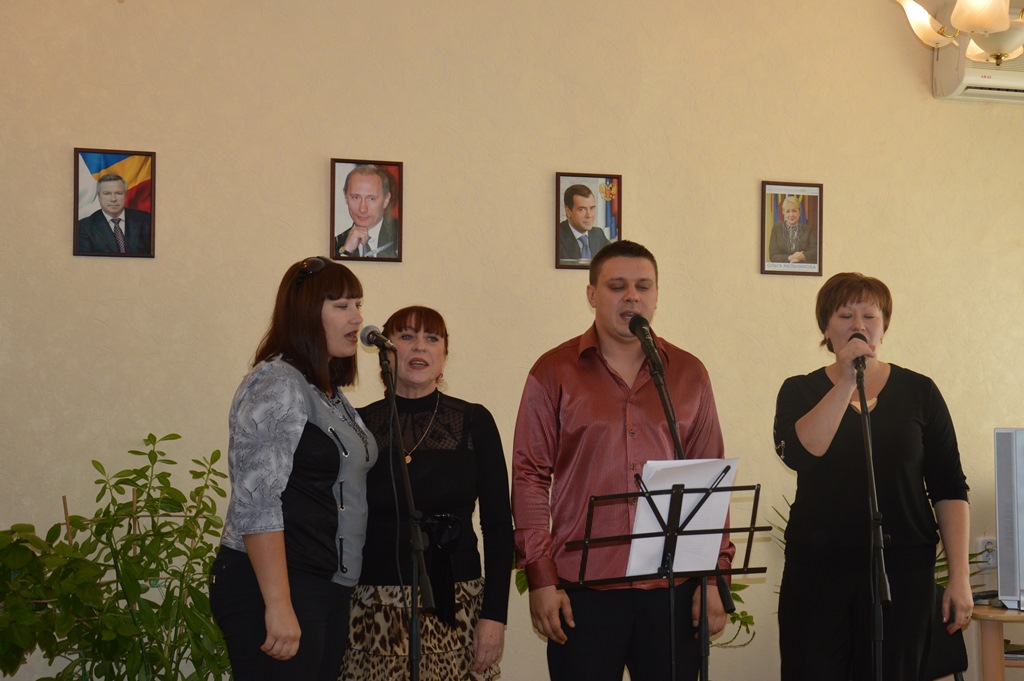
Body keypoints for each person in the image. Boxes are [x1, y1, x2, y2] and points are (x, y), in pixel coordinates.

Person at [512, 240, 735, 681]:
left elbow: (709, 477)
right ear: (592, 294)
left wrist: (713, 577)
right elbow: (529, 476)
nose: (632, 296)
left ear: (656, 295)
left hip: (672, 587)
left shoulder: (689, 373)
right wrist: (541, 576)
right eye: (617, 286)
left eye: (643, 286)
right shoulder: (553, 371)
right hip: (583, 589)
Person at [773, 272, 971, 681]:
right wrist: (847, 380)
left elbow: (949, 487)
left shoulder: (920, 392)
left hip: (903, 571)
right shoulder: (798, 390)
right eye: (845, 316)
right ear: (826, 328)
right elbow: (802, 453)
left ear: (884, 326)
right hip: (817, 571)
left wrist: (960, 577)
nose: (858, 325)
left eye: (870, 315)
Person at [210, 256, 378, 680]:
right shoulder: (278, 382)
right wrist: (279, 604)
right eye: (341, 306)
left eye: (358, 304)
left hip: (320, 583)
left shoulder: (325, 391)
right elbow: (256, 499)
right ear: (305, 313)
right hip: (275, 585)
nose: (357, 317)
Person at [340, 306, 513, 681]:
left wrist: (495, 616)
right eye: (406, 336)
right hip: (372, 608)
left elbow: (499, 526)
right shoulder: (358, 425)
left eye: (432, 338)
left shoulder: (474, 421)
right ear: (386, 352)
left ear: (444, 355)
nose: (419, 346)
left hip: (457, 604)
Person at [76, 173, 153, 255]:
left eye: (119, 193)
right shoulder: (84, 227)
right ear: (99, 197)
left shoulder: (147, 220)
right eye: (107, 193)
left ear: (125, 195)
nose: (113, 199)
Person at [335, 165, 399, 259]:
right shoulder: (336, 244)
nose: (362, 209)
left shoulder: (402, 238)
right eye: (356, 197)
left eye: (371, 199)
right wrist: (346, 252)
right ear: (346, 197)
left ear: (386, 200)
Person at [558, 184, 610, 262]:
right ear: (568, 211)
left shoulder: (598, 234)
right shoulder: (557, 236)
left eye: (592, 208)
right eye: (582, 209)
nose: (589, 215)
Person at [767, 195, 817, 264]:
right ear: (783, 212)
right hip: (782, 269)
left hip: (802, 267)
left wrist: (801, 257)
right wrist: (791, 257)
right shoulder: (776, 228)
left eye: (794, 211)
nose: (791, 215)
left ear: (799, 212)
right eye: (788, 211)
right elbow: (773, 256)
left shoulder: (808, 229)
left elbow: (816, 251)